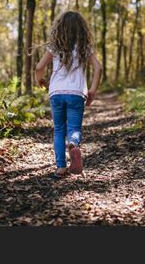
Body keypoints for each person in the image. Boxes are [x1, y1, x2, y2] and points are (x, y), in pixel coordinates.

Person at [35, 11, 102, 179]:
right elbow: (98, 68)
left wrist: (40, 80)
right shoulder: (85, 47)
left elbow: (38, 67)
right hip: (77, 93)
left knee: (58, 129)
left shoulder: (54, 46)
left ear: (60, 28)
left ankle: (61, 167)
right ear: (81, 29)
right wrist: (92, 90)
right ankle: (73, 143)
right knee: (74, 129)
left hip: (56, 92)